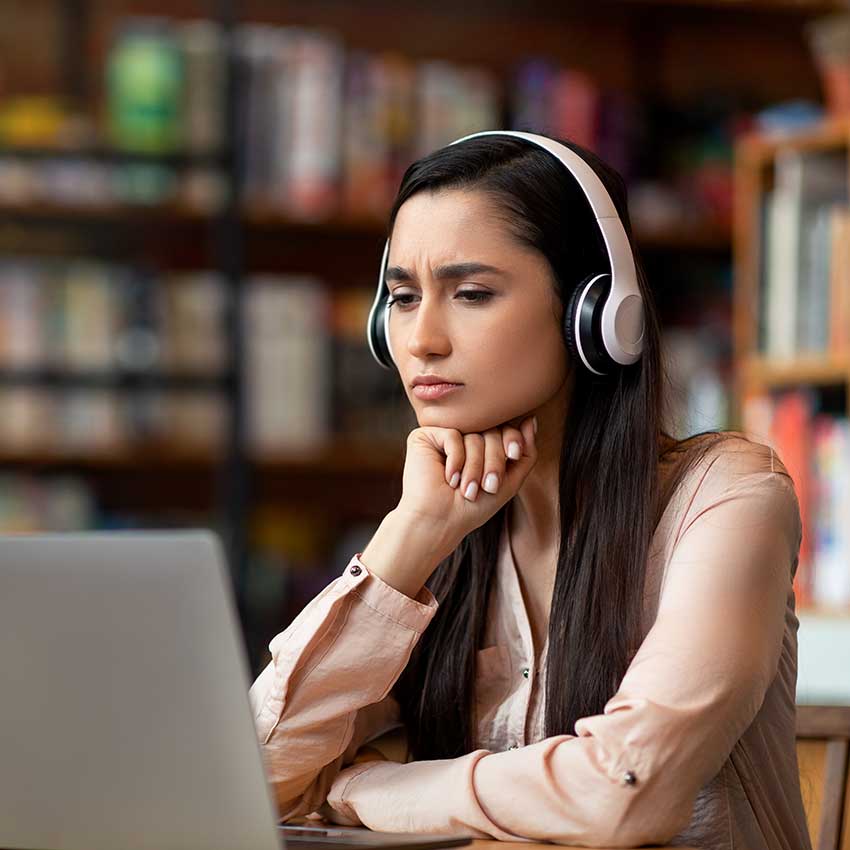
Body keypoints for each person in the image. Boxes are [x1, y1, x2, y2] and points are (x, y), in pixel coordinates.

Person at [248, 132, 811, 849]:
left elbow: (625, 794)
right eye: (402, 297)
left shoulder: (727, 496)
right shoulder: (443, 529)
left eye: (471, 293)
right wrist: (410, 535)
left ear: (596, 316)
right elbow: (255, 779)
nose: (420, 340)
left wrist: (368, 789)